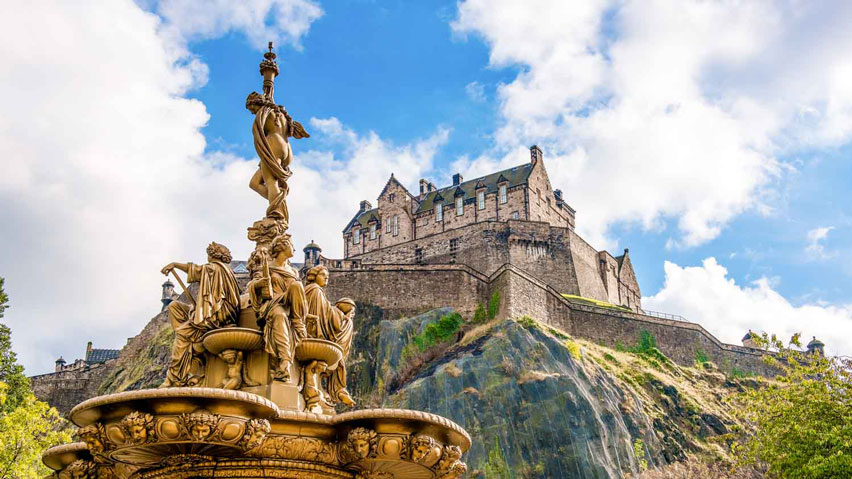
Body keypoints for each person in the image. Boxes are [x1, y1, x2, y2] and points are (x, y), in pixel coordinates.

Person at [159, 242, 241, 387]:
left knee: (182, 335)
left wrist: (174, 265)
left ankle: (176, 378)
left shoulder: (214, 268)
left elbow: (195, 270)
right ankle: (193, 340)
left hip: (216, 317)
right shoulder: (225, 270)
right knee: (174, 306)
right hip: (213, 312)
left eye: (208, 253)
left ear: (212, 255)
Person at [248, 234, 308, 382]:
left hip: (290, 305)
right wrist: (260, 284)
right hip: (273, 304)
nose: (294, 248)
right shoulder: (267, 267)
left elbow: (298, 293)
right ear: (281, 246)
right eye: (291, 245)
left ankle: (297, 321)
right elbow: (251, 286)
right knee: (279, 316)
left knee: (297, 285)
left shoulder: (294, 271)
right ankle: (285, 361)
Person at [246, 92, 308, 221]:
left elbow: (258, 129)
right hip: (286, 148)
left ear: (257, 102)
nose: (253, 113)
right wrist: (268, 81)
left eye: (252, 109)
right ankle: (279, 203)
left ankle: (276, 213)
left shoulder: (264, 111)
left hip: (273, 143)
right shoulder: (278, 112)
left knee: (271, 181)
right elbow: (269, 93)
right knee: (254, 183)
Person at [304, 265, 356, 406]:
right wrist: (344, 316)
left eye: (327, 276)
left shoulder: (313, 291)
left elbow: (326, 311)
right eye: (323, 275)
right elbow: (324, 314)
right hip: (314, 332)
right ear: (314, 276)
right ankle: (339, 390)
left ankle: (339, 390)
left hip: (312, 330)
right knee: (347, 326)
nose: (326, 278)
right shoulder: (315, 291)